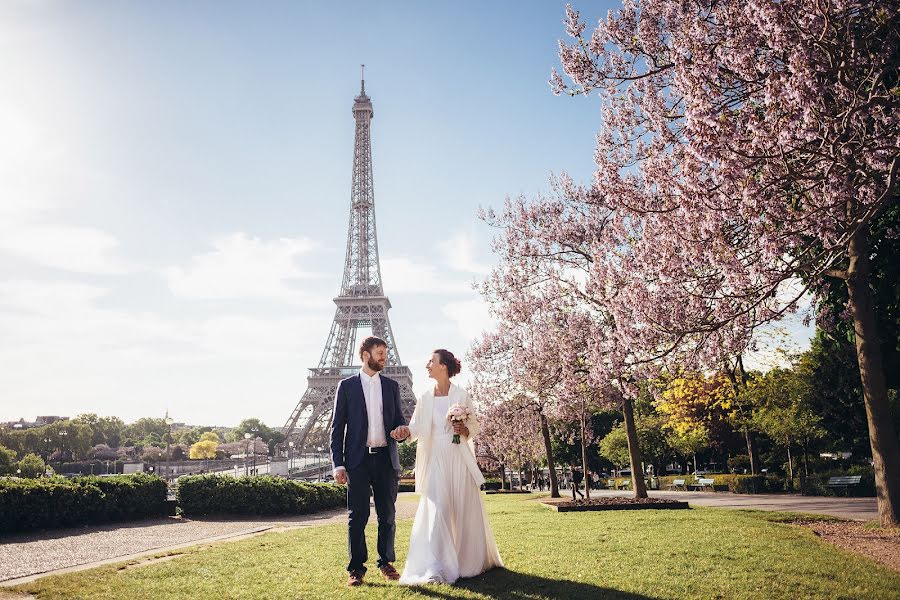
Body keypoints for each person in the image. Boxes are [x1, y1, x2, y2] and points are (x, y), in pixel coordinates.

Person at [390, 349, 503, 585]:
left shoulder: (462, 395)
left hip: (458, 456)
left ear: (444, 366)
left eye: (431, 361)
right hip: (436, 459)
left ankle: (466, 562)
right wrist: (406, 431)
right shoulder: (424, 397)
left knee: (462, 507)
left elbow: (474, 426)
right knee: (438, 509)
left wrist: (465, 430)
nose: (427, 364)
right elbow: (418, 428)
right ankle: (436, 566)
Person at [330, 336, 409, 587]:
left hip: (386, 458)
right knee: (358, 516)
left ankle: (386, 562)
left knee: (387, 515)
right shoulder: (346, 386)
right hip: (358, 460)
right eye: (379, 353)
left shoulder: (392, 386)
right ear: (365, 355)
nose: (384, 357)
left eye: (385, 352)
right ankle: (356, 569)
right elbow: (336, 428)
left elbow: (398, 419)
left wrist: (401, 431)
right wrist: (338, 464)